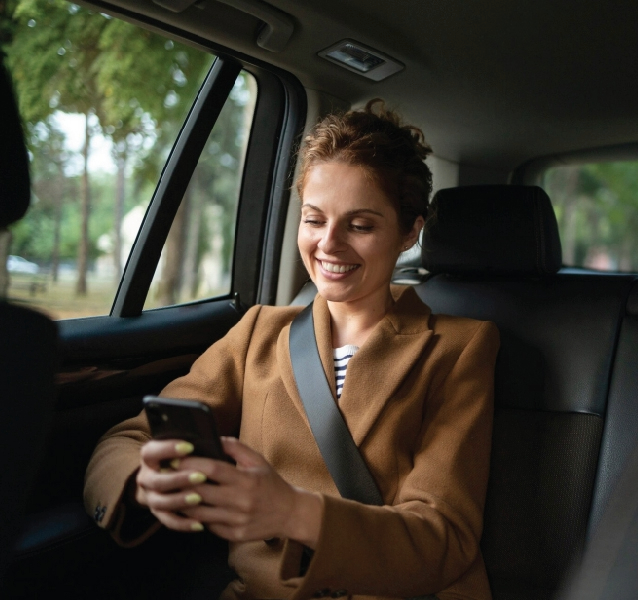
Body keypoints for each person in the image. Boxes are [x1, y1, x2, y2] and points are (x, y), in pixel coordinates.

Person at [84, 99, 500, 600]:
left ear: (410, 231)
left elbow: (444, 540)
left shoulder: (459, 348)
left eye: (361, 225)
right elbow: (124, 440)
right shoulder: (260, 332)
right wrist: (142, 479)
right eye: (313, 219)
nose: (329, 244)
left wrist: (293, 512)